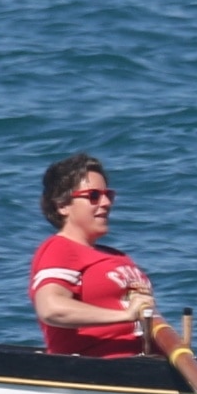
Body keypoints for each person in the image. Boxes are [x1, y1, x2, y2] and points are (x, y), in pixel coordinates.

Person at [29, 153, 154, 356]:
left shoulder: (118, 256)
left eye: (108, 195)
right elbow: (51, 309)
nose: (106, 203)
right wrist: (125, 315)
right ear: (62, 205)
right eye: (93, 196)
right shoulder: (61, 248)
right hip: (100, 366)